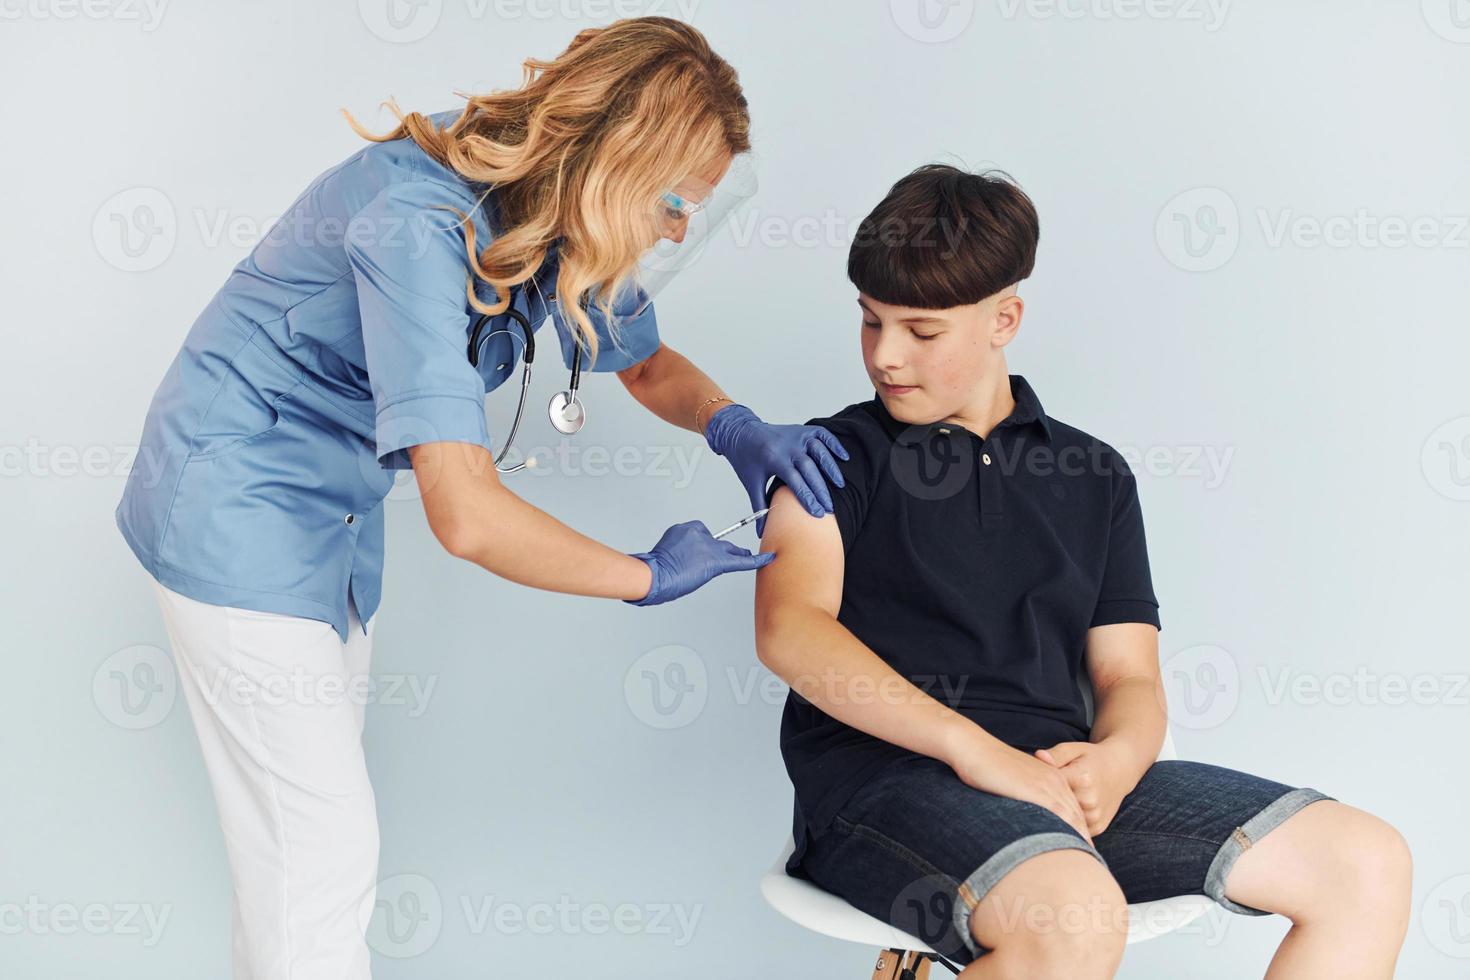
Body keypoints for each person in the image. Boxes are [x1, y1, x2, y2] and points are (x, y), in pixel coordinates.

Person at [114, 18, 846, 979]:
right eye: (674, 204)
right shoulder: (416, 218)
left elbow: (646, 360)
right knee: (320, 852)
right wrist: (644, 577)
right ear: (618, 165)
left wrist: (732, 424)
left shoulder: (558, 205)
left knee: (297, 858)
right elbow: (463, 514)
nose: (677, 231)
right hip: (231, 504)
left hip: (331, 527)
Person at [753, 164, 1413, 977]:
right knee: (1068, 912)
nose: (885, 356)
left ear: (1006, 318)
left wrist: (1118, 760)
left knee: (1364, 862)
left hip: (1057, 783)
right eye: (869, 322)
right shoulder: (832, 455)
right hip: (883, 786)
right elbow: (790, 629)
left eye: (922, 332)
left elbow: (1130, 674)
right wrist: (970, 748)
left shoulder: (1094, 474)